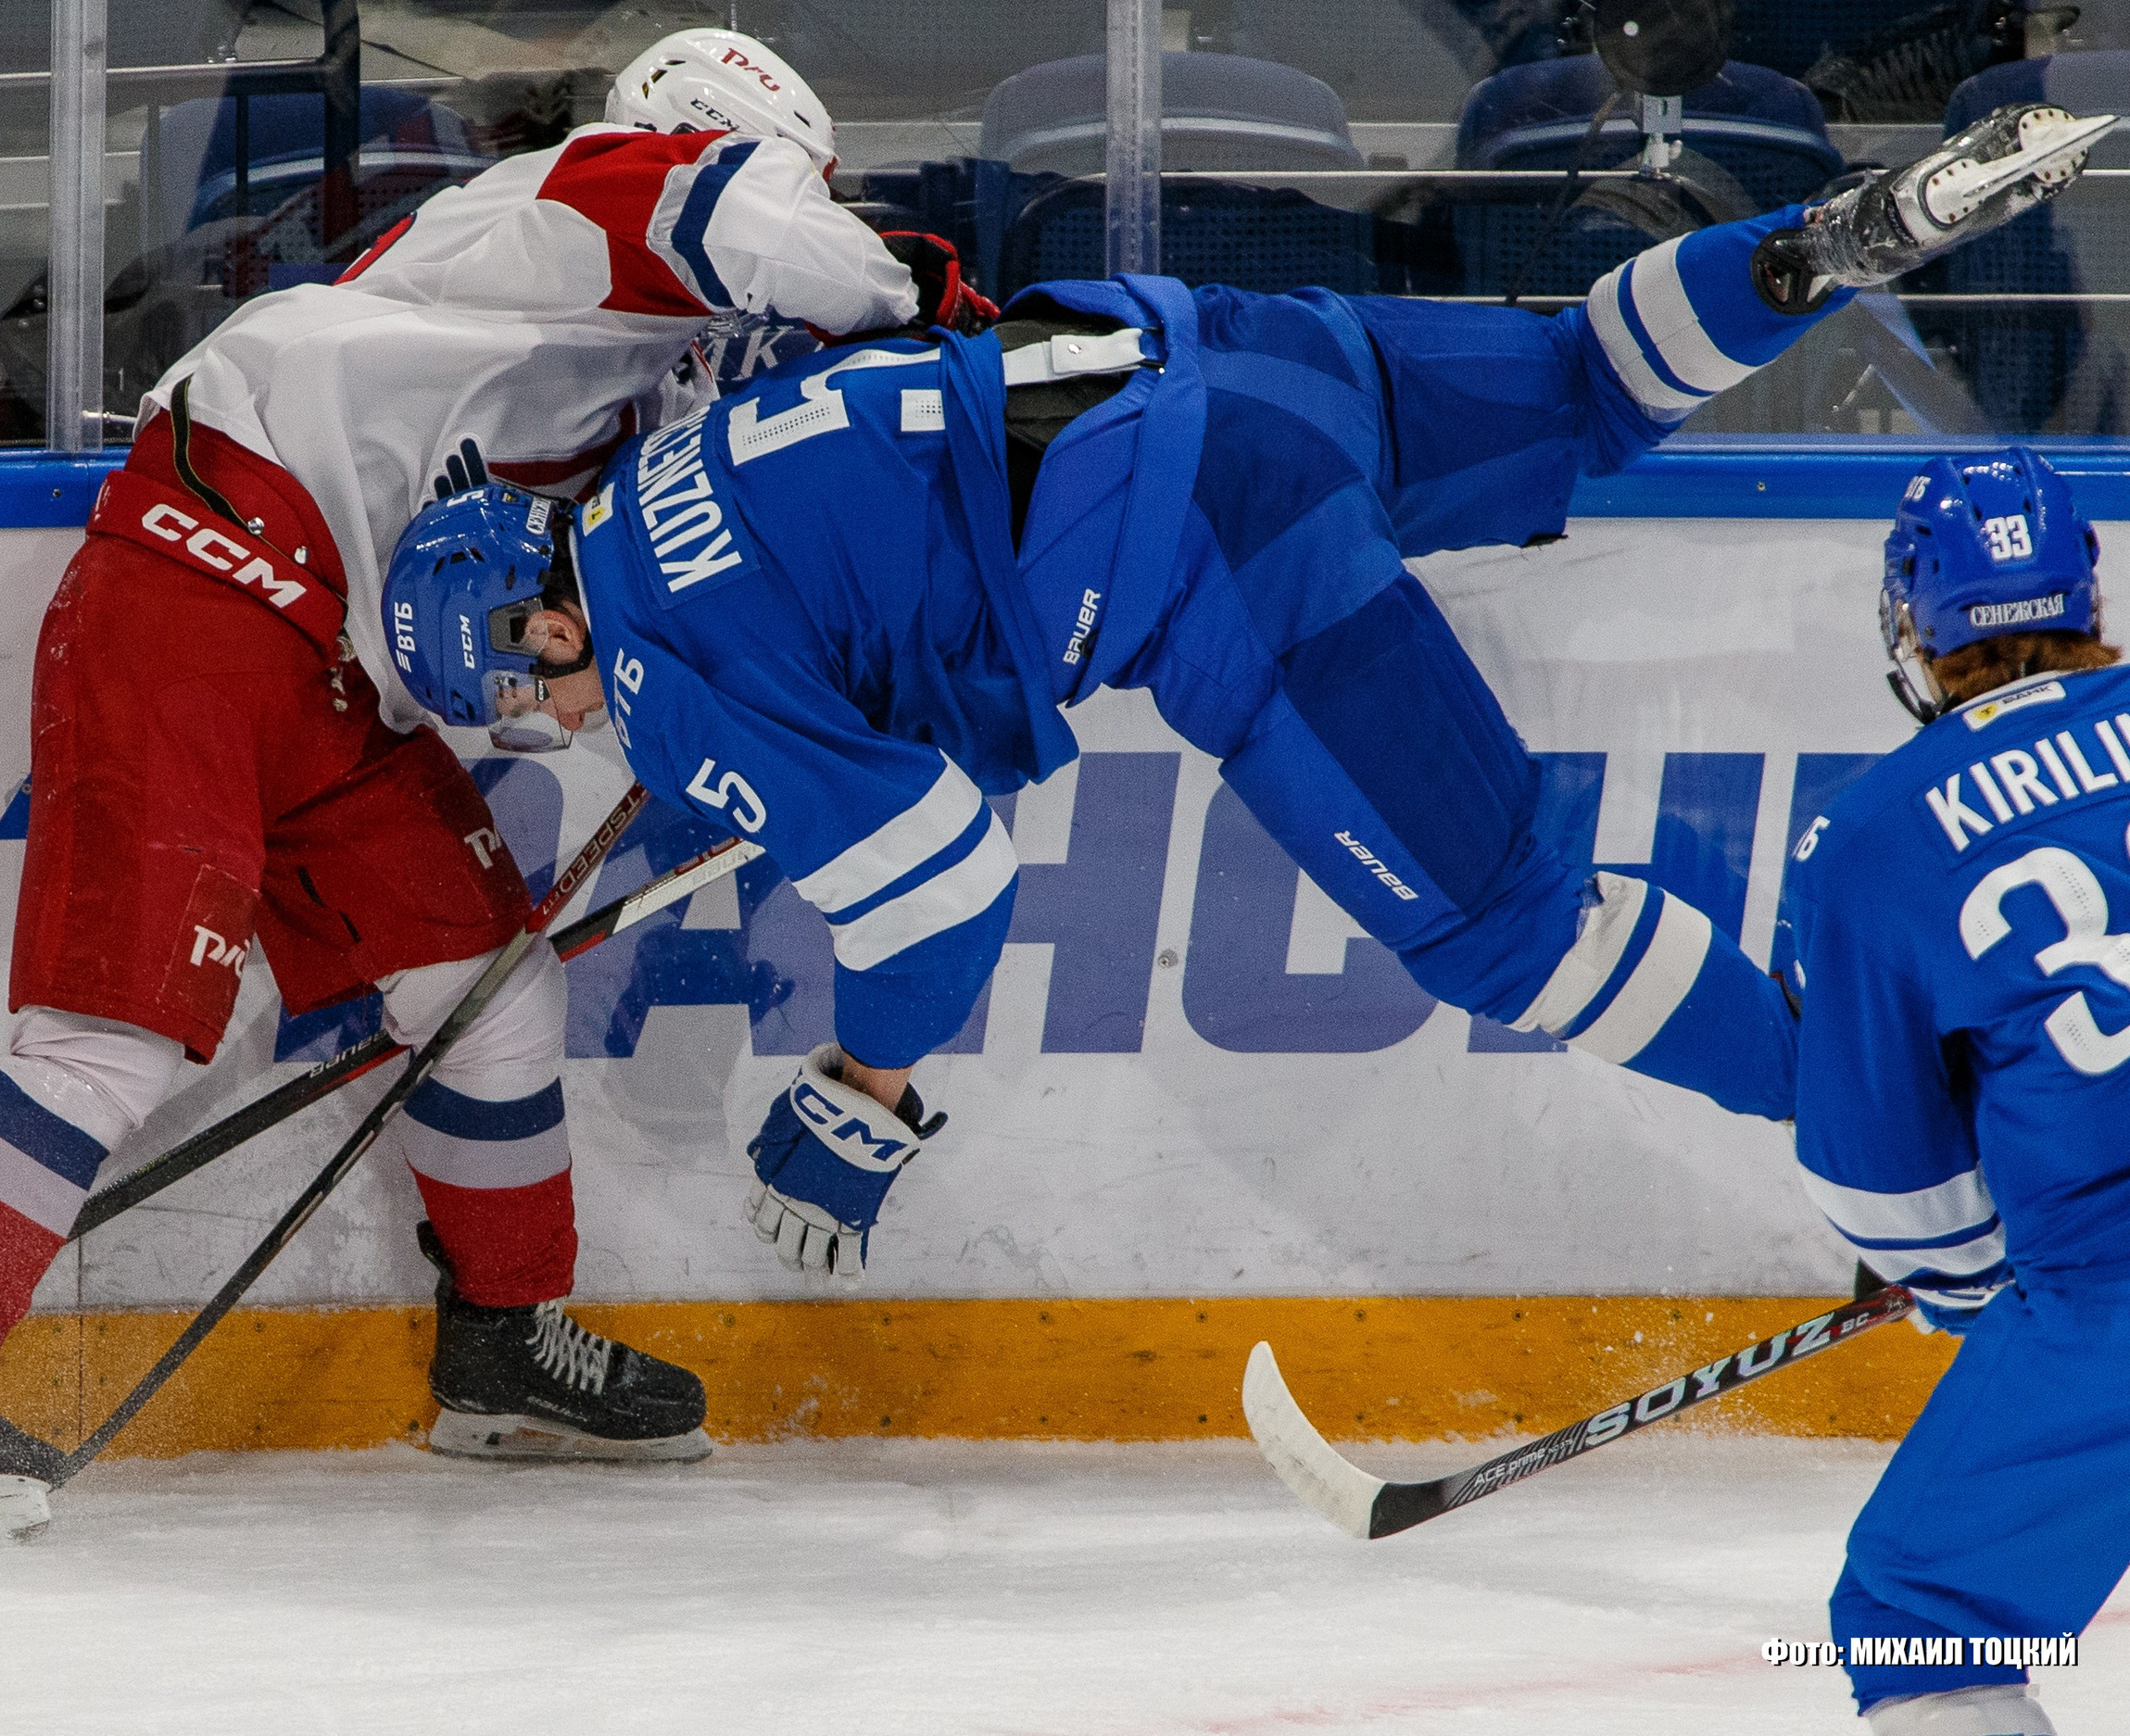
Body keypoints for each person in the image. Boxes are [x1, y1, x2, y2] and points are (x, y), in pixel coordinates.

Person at [379, 102, 2109, 1288]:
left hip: (1214, 533)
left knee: (1509, 932)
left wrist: (863, 1086)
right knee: (1587, 382)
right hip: (1216, 350)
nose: (562, 734)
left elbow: (944, 895)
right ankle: (1822, 244)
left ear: (539, 634)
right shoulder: (656, 481)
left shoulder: (666, 684)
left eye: (529, 708)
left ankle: (1937, 1144)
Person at [0, 28, 977, 1543]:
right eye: (801, 184)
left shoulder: (608, 346)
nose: (798, 220)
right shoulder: (605, 192)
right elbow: (758, 227)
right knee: (115, 1035)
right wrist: (915, 309)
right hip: (203, 594)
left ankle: (501, 1353)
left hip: (339, 677)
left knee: (492, 989)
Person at [1778, 449, 2130, 1736]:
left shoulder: (1871, 836)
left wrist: (1968, 1291)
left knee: (1923, 1618)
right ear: (2084, 592)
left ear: (1913, 619)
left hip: (2116, 1294)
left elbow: (1893, 1189)